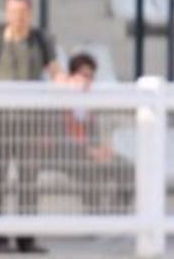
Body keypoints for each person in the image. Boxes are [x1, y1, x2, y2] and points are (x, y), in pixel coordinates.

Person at [0, 0, 59, 254]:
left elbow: (55, 71)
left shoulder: (40, 40)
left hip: (30, 122)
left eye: (22, 12)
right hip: (0, 121)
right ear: (6, 13)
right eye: (13, 12)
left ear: (30, 13)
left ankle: (26, 236)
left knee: (28, 178)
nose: (18, 17)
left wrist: (73, 82)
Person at [54, 53, 133, 215]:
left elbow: (96, 137)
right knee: (91, 171)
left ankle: (120, 213)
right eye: (84, 75)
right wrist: (86, 150)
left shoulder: (91, 104)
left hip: (90, 152)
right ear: (72, 76)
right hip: (66, 155)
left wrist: (103, 149)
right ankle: (94, 216)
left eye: (91, 77)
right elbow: (58, 139)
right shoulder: (59, 102)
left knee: (127, 168)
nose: (87, 81)